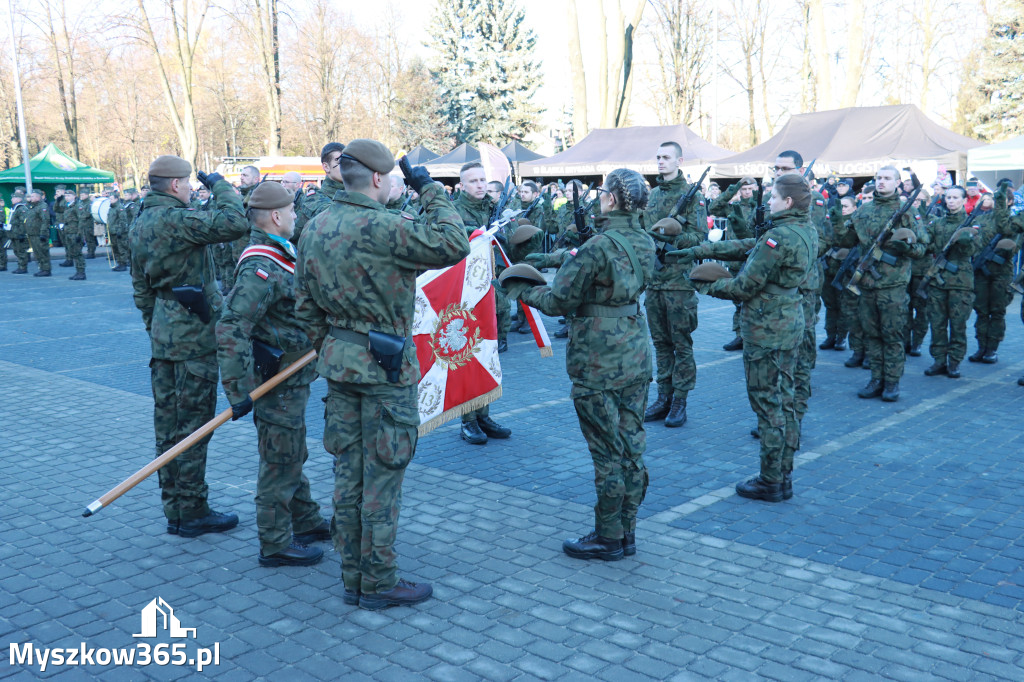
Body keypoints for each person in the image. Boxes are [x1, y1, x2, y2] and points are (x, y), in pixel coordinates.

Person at [293, 139, 470, 609]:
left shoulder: (314, 227)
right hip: (386, 371)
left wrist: (331, 349)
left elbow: (304, 305)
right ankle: (379, 580)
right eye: (391, 178)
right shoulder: (386, 227)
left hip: (339, 365)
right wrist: (429, 189)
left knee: (348, 473)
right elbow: (455, 243)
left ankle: (353, 575)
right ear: (376, 178)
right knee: (383, 475)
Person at [506, 168, 655, 559]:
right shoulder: (645, 240)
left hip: (597, 361)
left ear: (610, 200)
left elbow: (558, 302)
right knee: (631, 447)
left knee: (607, 453)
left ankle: (608, 536)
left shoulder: (599, 246)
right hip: (636, 353)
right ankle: (628, 532)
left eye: (602, 192)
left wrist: (522, 288)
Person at [674, 174, 816, 502]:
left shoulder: (778, 237)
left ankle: (771, 480)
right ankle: (783, 473)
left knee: (768, 404)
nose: (769, 202)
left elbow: (742, 287)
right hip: (789, 319)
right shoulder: (803, 229)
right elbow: (746, 246)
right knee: (784, 399)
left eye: (775, 197)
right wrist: (700, 249)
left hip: (766, 327)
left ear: (788, 202)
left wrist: (701, 282)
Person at [130, 155, 248, 537]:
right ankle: (193, 511)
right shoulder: (176, 219)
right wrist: (220, 184)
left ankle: (175, 510)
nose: (192, 189)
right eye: (189, 184)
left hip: (164, 334)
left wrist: (156, 326)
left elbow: (140, 288)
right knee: (194, 426)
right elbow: (234, 221)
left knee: (167, 427)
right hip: (194, 336)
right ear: (176, 185)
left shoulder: (139, 221)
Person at [216, 181, 329, 567]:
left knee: (291, 450)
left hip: (294, 374)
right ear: (277, 216)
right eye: (293, 212)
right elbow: (232, 326)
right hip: (276, 379)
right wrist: (237, 391)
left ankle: (306, 520)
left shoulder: (281, 251)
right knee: (280, 459)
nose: (297, 217)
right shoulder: (261, 265)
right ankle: (275, 541)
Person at [834, 166, 927, 401]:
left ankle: (892, 382)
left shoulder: (907, 211)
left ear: (897, 182)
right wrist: (838, 217)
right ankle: (876, 378)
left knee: (893, 335)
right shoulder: (863, 210)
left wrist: (906, 248)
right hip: (867, 284)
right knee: (872, 334)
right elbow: (845, 240)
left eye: (887, 178)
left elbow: (923, 247)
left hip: (893, 286)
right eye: (879, 178)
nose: (882, 182)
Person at [642, 141, 707, 429]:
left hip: (680, 283)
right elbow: (644, 233)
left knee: (682, 344)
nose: (660, 162)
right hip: (655, 283)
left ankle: (680, 401)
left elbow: (699, 237)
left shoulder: (691, 196)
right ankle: (663, 397)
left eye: (666, 157)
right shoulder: (653, 194)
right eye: (658, 157)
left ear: (679, 160)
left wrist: (671, 239)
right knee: (660, 344)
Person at [453, 161, 513, 444]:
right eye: (473, 181)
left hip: (492, 289)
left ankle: (483, 415)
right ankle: (468, 420)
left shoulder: (492, 207)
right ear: (462, 185)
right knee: (467, 357)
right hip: (464, 294)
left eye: (482, 180)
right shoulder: (453, 211)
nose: (480, 185)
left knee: (488, 354)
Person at [922, 186, 980, 379]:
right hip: (938, 281)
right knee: (937, 323)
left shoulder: (972, 224)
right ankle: (939, 360)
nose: (951, 201)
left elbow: (973, 251)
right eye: (948, 197)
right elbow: (926, 243)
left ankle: (954, 362)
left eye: (956, 197)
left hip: (960, 283)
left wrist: (966, 240)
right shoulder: (937, 223)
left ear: (964, 200)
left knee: (958, 325)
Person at [970, 182, 1022, 365]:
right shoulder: (982, 219)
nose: (996, 202)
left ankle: (992, 348)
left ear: (1009, 202)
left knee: (997, 311)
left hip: (1001, 273)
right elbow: (974, 241)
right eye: (994, 198)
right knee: (981, 311)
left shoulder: (1015, 222)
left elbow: (1015, 247)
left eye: (1002, 200)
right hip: (981, 271)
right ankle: (981, 346)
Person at [708, 177, 757, 350]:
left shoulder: (760, 208)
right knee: (737, 300)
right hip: (736, 259)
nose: (747, 192)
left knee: (753, 301)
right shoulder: (733, 207)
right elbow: (713, 207)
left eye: (750, 189)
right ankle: (740, 335)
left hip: (755, 259)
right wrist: (732, 188)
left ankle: (752, 335)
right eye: (744, 189)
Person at [294, 142, 346, 245]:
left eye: (348, 161)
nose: (347, 166)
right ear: (326, 167)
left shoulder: (356, 193)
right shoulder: (314, 198)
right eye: (340, 162)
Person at [106, 192, 131, 271]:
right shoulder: (111, 208)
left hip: (119, 232)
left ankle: (123, 264)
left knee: (121, 248)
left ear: (116, 199)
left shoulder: (120, 207)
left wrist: (120, 230)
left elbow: (122, 220)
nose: (110, 200)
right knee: (115, 248)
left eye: (111, 198)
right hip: (112, 231)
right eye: (109, 199)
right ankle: (119, 263)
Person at [79, 188, 98, 259]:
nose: (81, 196)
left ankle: (91, 252)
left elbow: (88, 213)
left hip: (88, 224)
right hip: (81, 224)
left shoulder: (90, 203)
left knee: (89, 239)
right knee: (81, 238)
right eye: (80, 195)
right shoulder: (80, 203)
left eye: (83, 195)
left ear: (87, 195)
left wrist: (79, 217)